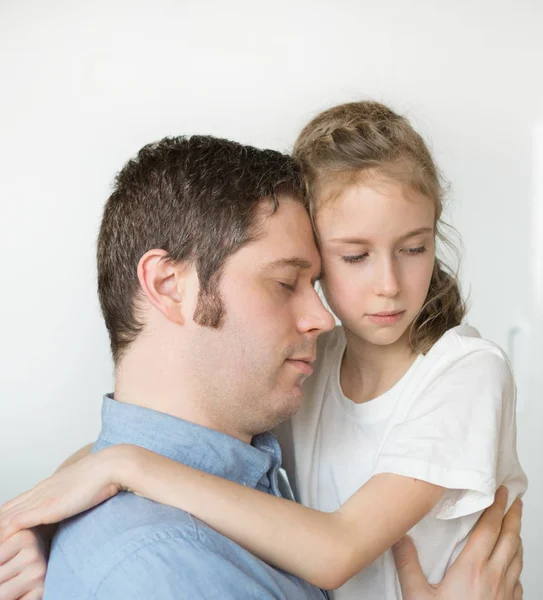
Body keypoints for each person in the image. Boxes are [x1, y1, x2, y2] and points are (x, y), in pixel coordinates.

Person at [0, 104, 526, 600]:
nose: (386, 284)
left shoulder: (460, 373)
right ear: (168, 284)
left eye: (414, 248)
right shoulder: (160, 563)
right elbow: (134, 446)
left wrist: (115, 469)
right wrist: (49, 509)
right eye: (286, 282)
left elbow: (332, 546)